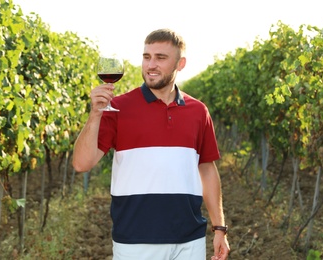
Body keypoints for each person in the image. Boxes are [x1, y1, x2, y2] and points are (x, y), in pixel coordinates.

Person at [72, 28, 230, 260]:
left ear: (181, 63)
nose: (150, 65)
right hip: (135, 241)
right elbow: (81, 164)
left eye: (161, 58)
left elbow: (207, 169)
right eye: (147, 57)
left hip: (190, 241)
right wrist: (95, 114)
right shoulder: (118, 108)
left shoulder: (198, 111)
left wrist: (219, 228)